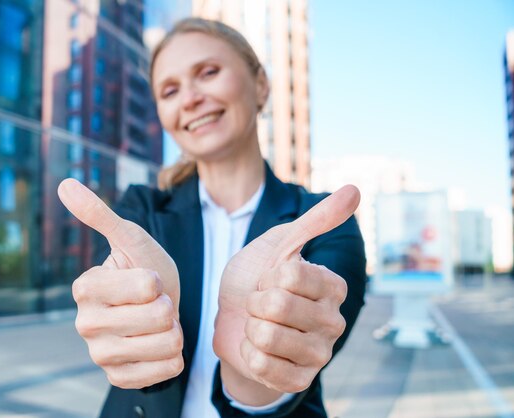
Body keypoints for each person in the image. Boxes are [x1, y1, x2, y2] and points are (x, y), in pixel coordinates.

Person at [57, 17, 367, 418]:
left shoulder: (324, 221)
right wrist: (130, 326)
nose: (189, 98)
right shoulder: (139, 214)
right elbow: (135, 358)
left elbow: (299, 363)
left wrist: (250, 361)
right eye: (170, 91)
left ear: (260, 85)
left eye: (208, 72)